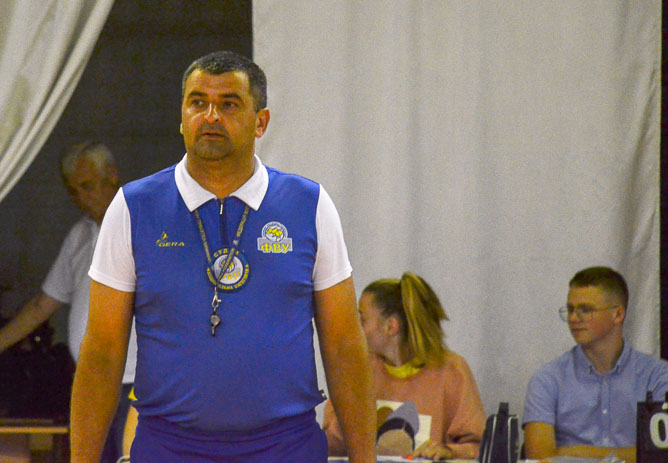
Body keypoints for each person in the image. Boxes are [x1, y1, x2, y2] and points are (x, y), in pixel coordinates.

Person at [70, 50, 376, 463]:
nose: (211, 116)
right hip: (168, 447)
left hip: (285, 448)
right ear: (181, 118)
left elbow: (343, 345)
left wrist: (365, 459)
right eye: (198, 102)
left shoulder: (310, 204)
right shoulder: (133, 207)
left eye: (229, 104)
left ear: (261, 121)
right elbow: (102, 353)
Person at [0, 142, 137, 463]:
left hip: (136, 382)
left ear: (112, 176)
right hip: (91, 380)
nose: (81, 198)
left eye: (87, 186)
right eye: (73, 191)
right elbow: (42, 305)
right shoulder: (80, 235)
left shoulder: (142, 225)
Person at [324, 272, 486, 460]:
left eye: (362, 319)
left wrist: (449, 452)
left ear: (391, 327)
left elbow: (479, 447)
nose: (355, 327)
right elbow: (332, 445)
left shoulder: (452, 371)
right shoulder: (356, 369)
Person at [522, 266, 668, 462]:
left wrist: (576, 452)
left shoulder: (657, 376)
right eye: (571, 309)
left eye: (585, 310)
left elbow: (661, 454)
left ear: (618, 314)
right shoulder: (547, 379)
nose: (573, 318)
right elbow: (539, 458)